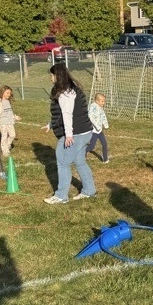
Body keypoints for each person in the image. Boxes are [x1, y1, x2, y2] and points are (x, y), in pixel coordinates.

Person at [42, 62, 96, 204]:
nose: (50, 77)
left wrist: (69, 135)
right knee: (80, 162)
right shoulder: (72, 88)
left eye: (52, 75)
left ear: (57, 76)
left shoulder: (66, 92)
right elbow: (60, 113)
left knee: (63, 163)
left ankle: (61, 196)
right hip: (85, 132)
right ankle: (89, 190)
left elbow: (67, 114)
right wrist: (51, 124)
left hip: (76, 134)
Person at [0, 85, 21, 157]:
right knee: (4, 136)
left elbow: (10, 112)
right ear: (2, 93)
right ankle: (4, 151)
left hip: (10, 122)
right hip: (2, 123)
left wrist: (15, 117)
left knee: (12, 135)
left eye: (10, 93)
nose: (9, 94)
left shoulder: (8, 102)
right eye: (7, 93)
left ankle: (7, 145)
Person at [86, 93, 109, 163]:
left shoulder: (100, 107)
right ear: (97, 101)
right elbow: (90, 117)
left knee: (104, 144)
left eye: (104, 101)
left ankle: (105, 159)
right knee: (92, 146)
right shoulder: (92, 106)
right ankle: (83, 152)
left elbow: (103, 116)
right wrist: (97, 126)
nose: (104, 103)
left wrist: (105, 124)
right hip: (94, 131)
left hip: (99, 131)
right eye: (102, 101)